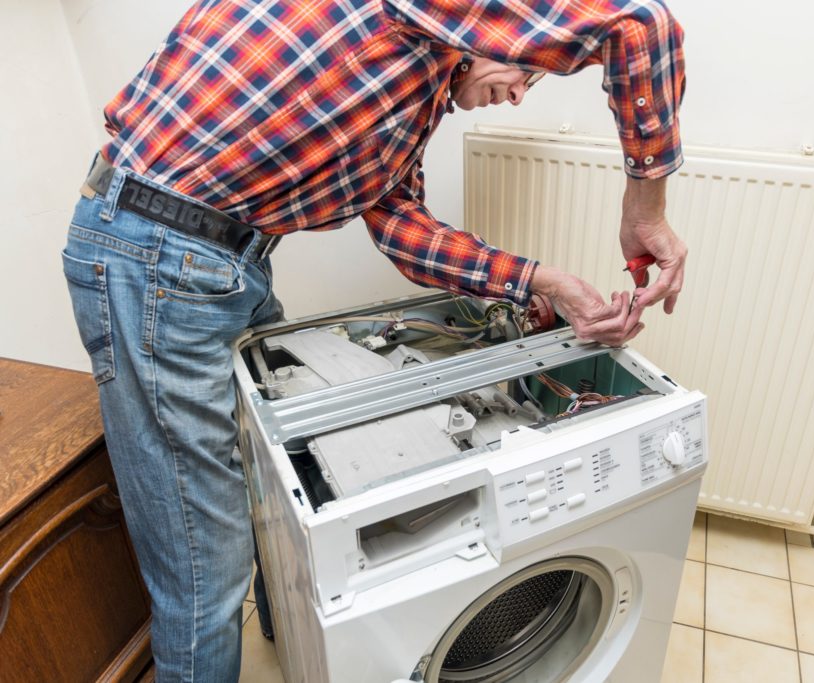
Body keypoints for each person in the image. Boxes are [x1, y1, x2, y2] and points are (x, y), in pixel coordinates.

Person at [61, 0, 687, 680]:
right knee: (201, 567)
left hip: (216, 262)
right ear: (490, 31)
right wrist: (645, 209)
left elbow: (403, 230)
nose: (515, 94)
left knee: (271, 487)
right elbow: (639, 26)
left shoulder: (407, 91)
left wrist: (544, 282)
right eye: (526, 71)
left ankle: (292, 647)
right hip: (155, 253)